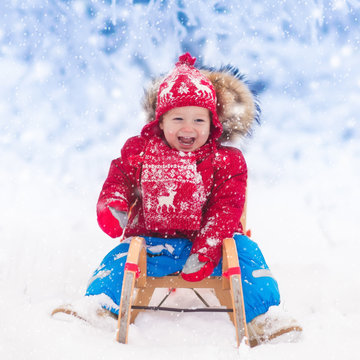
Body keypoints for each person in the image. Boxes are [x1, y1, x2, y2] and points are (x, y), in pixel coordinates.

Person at [54, 53, 302, 346]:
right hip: (152, 245)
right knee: (121, 258)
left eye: (199, 119)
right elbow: (119, 177)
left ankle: (263, 317)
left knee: (246, 254)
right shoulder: (141, 151)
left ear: (213, 124)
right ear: (161, 121)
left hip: (213, 247)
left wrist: (206, 248)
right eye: (178, 119)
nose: (188, 128)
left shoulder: (226, 161)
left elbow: (227, 208)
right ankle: (100, 306)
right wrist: (115, 204)